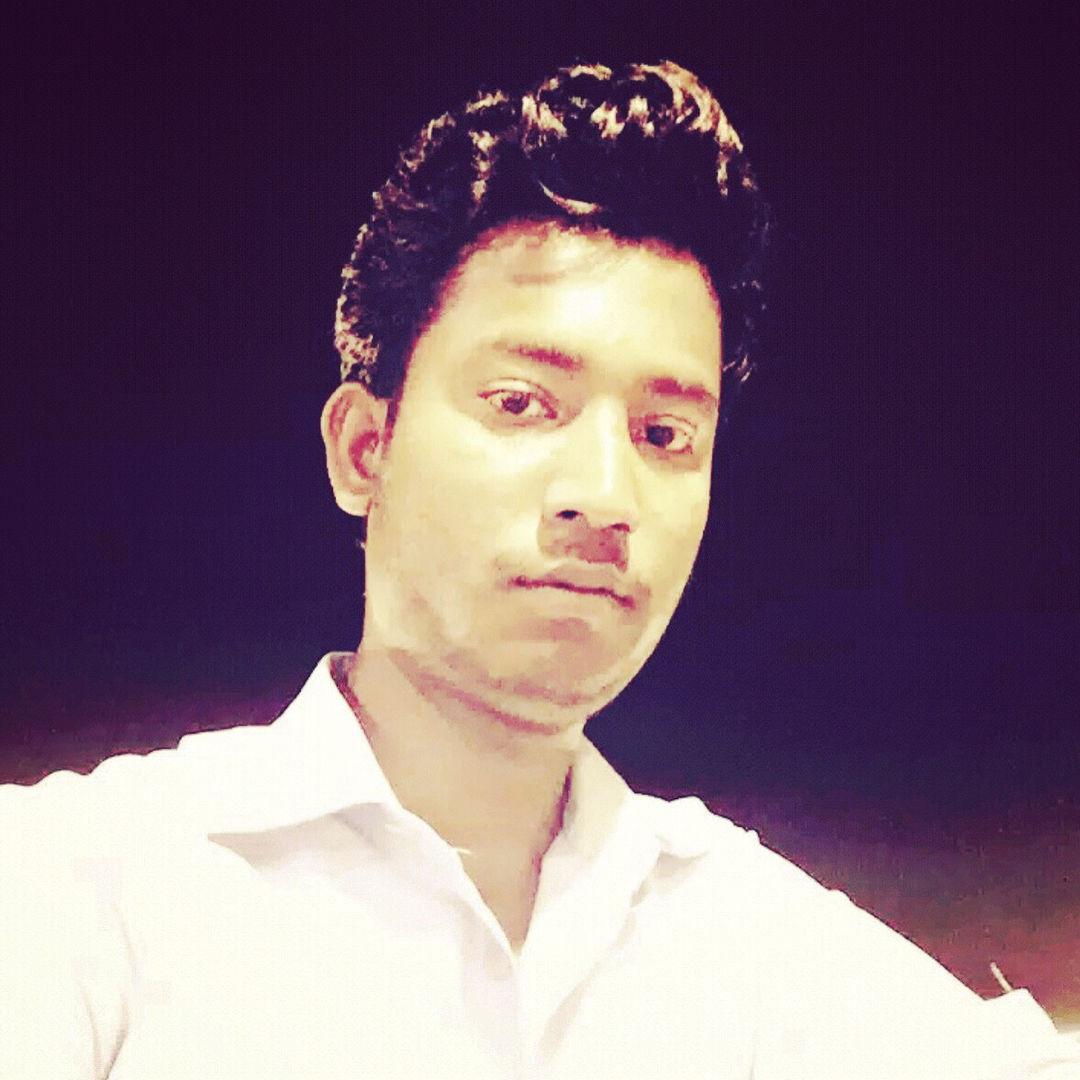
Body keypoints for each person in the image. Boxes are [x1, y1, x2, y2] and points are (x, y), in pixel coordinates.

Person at [1, 60, 1076, 1079]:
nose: (605, 495)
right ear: (364, 449)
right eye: (522, 404)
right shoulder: (81, 895)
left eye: (664, 435)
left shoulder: (764, 960)